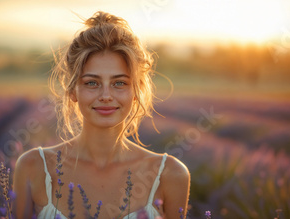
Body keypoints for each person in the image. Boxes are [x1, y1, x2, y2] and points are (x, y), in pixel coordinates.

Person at [13, 11, 190, 219]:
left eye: (119, 83)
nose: (106, 96)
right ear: (72, 90)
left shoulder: (171, 174)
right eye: (92, 83)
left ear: (136, 91)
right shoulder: (33, 167)